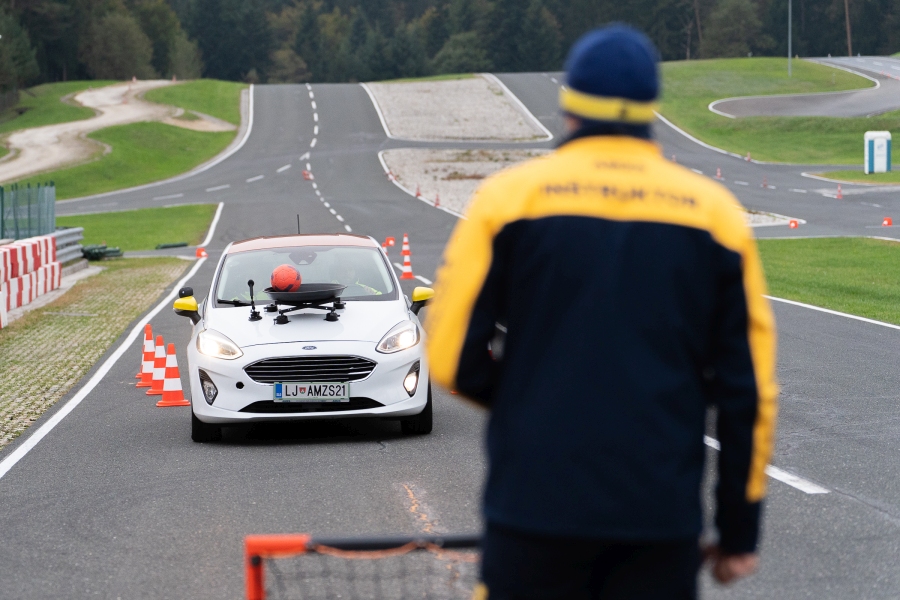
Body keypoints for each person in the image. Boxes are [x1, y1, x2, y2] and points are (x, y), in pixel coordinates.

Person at [425, 25, 778, 600]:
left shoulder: (508, 200)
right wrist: (739, 532)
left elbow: (449, 357)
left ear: (568, 105)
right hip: (658, 519)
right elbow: (749, 390)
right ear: (651, 108)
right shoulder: (715, 215)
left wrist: (533, 401)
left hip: (534, 511)